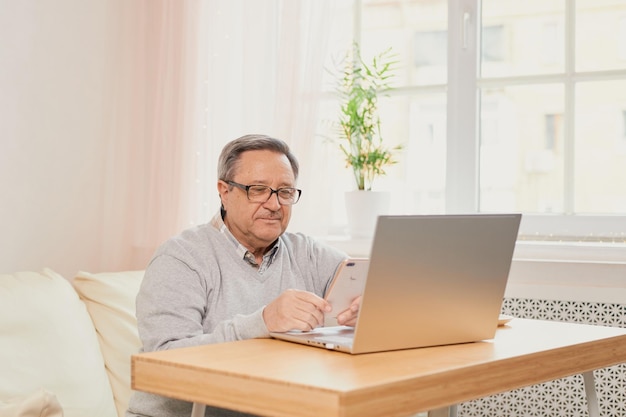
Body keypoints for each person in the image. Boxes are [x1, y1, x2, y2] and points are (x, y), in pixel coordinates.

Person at [126, 134, 360, 417]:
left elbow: (366, 286)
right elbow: (164, 361)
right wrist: (262, 322)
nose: (274, 205)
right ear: (224, 192)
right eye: (258, 190)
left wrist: (369, 310)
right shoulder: (181, 258)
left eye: (285, 191)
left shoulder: (308, 253)